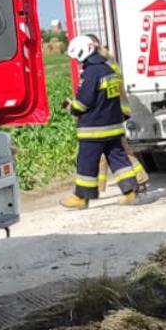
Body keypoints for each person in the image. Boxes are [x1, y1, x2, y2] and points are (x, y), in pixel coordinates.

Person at [61, 34, 144, 209]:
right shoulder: (109, 69)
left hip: (94, 129)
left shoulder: (90, 73)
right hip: (113, 127)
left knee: (86, 163)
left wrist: (70, 107)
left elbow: (83, 102)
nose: (76, 61)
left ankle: (81, 198)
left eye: (76, 57)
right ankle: (130, 192)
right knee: (119, 160)